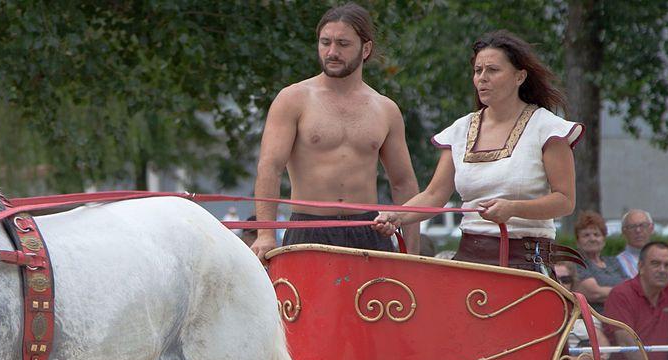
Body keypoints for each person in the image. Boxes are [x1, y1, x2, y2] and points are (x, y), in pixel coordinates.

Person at [373, 31, 580, 274]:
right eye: (478, 70)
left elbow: (565, 201)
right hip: (469, 260)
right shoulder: (460, 129)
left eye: (492, 70)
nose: (482, 78)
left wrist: (513, 208)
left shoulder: (547, 127)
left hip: (526, 264)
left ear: (519, 76)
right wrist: (397, 216)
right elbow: (433, 195)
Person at [251, 3, 419, 260]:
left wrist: (413, 252)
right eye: (325, 42)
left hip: (368, 230)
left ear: (366, 49)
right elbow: (269, 167)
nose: (332, 52)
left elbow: (404, 182)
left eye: (343, 44)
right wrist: (265, 235)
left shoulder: (386, 109)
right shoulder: (293, 99)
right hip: (309, 230)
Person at [571, 211, 628, 313]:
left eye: (597, 234)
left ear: (604, 240)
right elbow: (594, 293)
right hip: (595, 318)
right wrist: (624, 294)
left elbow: (631, 288)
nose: (592, 239)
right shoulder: (577, 263)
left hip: (622, 314)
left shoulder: (613, 261)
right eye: (586, 235)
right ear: (578, 241)